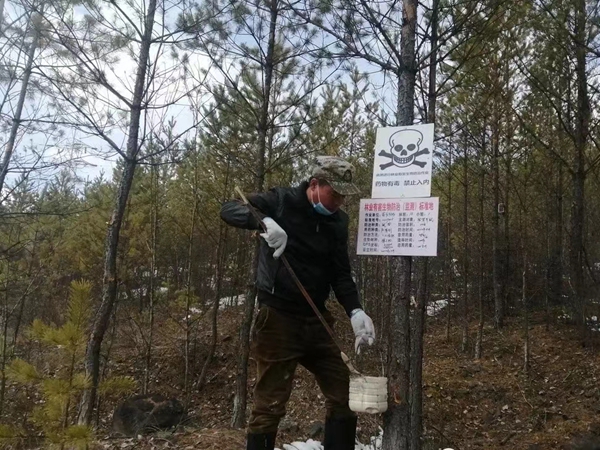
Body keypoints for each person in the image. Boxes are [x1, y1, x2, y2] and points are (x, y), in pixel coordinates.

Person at [220, 155, 376, 450]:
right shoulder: (282, 201)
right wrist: (264, 221)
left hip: (317, 318)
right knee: (270, 405)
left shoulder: (338, 222)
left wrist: (355, 310)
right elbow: (229, 208)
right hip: (277, 317)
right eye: (334, 193)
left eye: (344, 196)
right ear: (314, 184)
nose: (339, 201)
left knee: (344, 393)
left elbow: (341, 274)